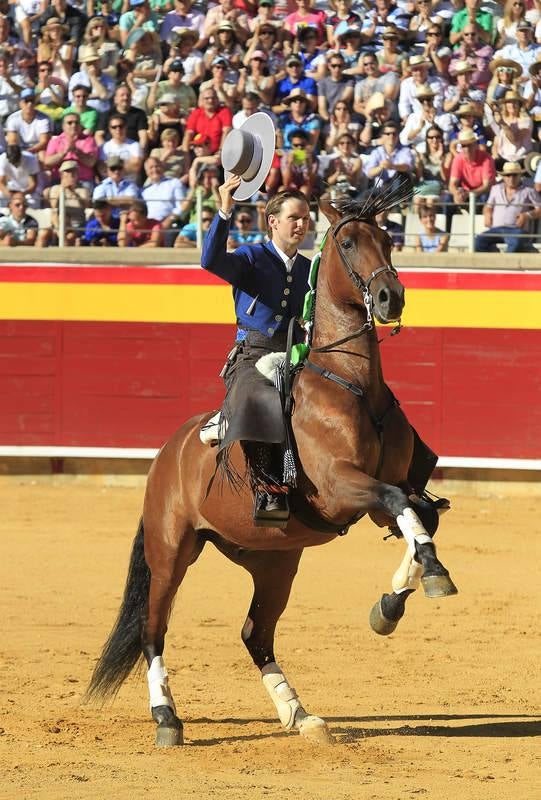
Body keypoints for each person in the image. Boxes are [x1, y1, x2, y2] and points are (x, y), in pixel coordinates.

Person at [201, 174, 311, 526]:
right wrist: (225, 208)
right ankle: (269, 489)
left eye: (305, 219)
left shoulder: (311, 270)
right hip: (252, 354)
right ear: (273, 221)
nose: (301, 224)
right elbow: (210, 260)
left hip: (296, 355)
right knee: (258, 396)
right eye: (294, 217)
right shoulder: (251, 257)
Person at [475, 161, 541, 252]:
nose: (511, 178)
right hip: (496, 229)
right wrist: (487, 213)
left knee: (515, 243)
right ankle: (496, 258)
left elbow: (539, 209)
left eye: (514, 175)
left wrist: (527, 215)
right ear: (504, 177)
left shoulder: (529, 190)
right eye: (508, 175)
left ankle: (504, 261)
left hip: (516, 230)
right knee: (478, 242)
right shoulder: (496, 189)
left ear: (520, 176)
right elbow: (488, 206)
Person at [449, 129, 496, 206]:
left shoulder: (486, 158)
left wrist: (469, 194)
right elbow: (452, 184)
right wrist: (457, 193)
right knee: (447, 198)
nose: (466, 149)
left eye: (469, 145)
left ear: (475, 145)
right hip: (465, 192)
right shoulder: (458, 159)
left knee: (484, 198)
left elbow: (487, 186)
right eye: (464, 146)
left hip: (481, 193)